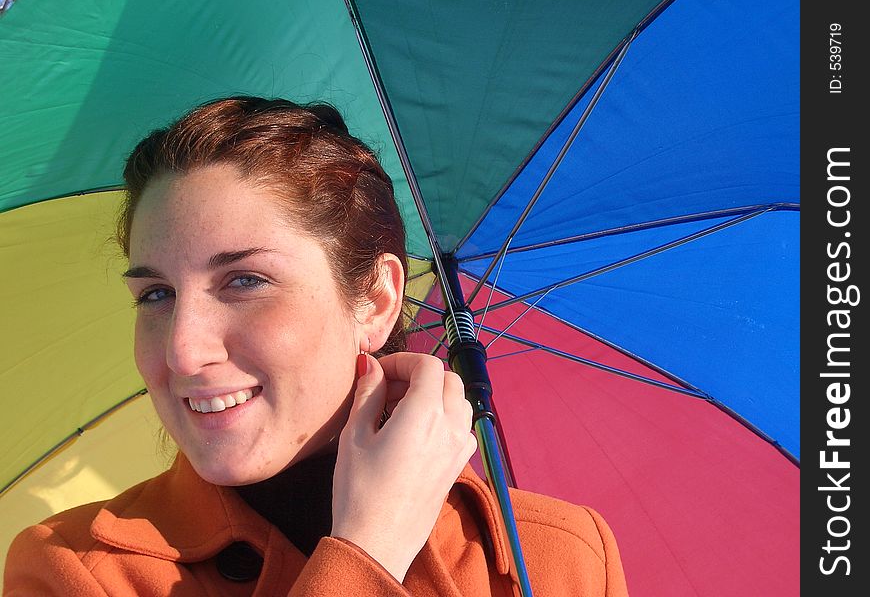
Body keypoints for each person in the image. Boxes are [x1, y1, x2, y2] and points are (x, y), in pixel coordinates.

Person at [3, 97, 628, 596]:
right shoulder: (73, 572)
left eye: (244, 281)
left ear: (376, 301)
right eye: (155, 296)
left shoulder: (557, 558)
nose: (182, 353)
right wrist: (368, 548)